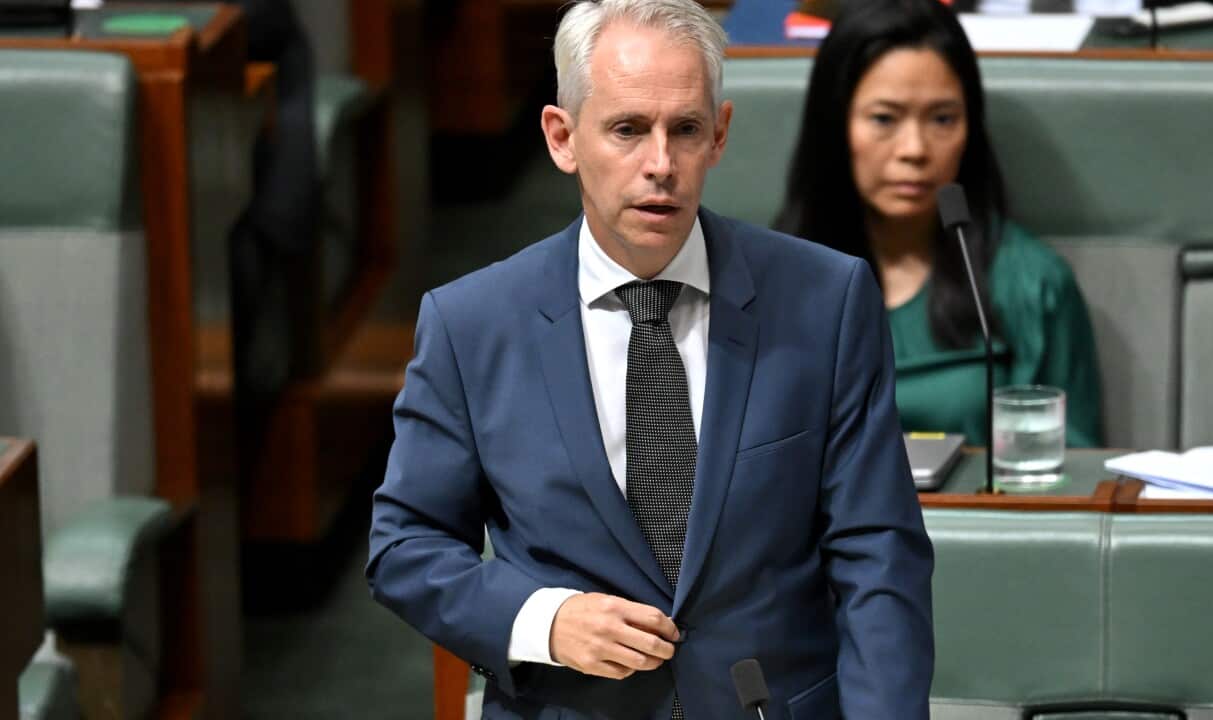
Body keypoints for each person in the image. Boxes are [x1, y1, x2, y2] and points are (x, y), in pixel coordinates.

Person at [367, 1, 933, 717]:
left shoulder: (825, 300)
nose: (660, 164)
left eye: (686, 130)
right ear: (562, 137)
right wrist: (545, 621)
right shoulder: (471, 324)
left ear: (720, 135)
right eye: (628, 129)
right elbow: (405, 547)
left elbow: (878, 554)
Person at [776, 0, 1102, 447]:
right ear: (835, 127)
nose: (915, 149)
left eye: (943, 119)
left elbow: (1073, 477)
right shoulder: (774, 281)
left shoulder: (1033, 284)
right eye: (884, 119)